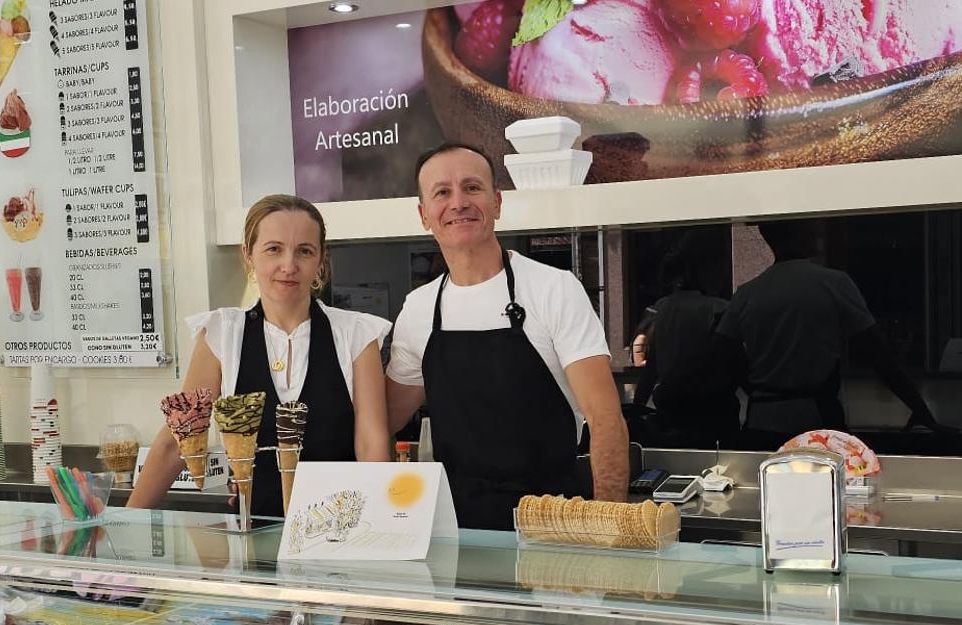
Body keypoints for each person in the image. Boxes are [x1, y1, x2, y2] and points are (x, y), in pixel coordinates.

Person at [385, 143, 629, 530]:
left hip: (553, 524)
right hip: (456, 529)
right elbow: (384, 420)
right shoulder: (418, 309)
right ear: (423, 214)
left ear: (497, 203)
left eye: (472, 187)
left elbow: (605, 418)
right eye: (442, 192)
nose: (459, 202)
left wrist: (608, 526)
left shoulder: (554, 289)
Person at [129, 194, 391, 516]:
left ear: (321, 259)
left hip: (339, 536)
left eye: (304, 251)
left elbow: (371, 444)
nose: (289, 265)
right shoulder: (222, 333)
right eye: (274, 249)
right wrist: (124, 523)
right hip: (254, 540)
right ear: (248, 254)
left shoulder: (355, 334)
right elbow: (176, 443)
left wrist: (379, 534)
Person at [717, 219, 941, 447]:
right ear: (799, 232)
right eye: (811, 227)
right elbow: (878, 355)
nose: (819, 235)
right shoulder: (834, 284)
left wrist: (757, 388)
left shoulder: (747, 293)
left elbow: (724, 352)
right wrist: (918, 407)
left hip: (761, 421)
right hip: (817, 423)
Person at [633, 228, 741, 447]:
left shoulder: (663, 309)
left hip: (670, 417)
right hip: (713, 420)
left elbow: (650, 370)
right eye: (719, 264)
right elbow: (737, 364)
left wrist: (637, 410)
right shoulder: (720, 310)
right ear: (705, 268)